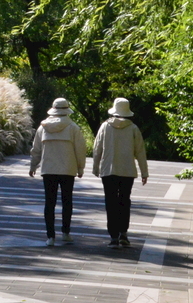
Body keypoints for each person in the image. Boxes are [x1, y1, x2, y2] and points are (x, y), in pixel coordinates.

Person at [29, 97, 87, 247]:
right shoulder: (73, 127)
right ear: (67, 110)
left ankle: (50, 237)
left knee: (50, 203)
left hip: (48, 170)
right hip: (68, 169)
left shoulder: (43, 127)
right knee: (67, 202)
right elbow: (80, 150)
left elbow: (36, 149)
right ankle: (66, 233)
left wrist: (33, 166)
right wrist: (80, 167)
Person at [92, 97, 149, 248]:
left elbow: (97, 148)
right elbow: (140, 152)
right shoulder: (133, 128)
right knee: (124, 202)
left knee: (110, 203)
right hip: (127, 171)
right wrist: (144, 172)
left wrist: (95, 167)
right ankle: (124, 233)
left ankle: (113, 236)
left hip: (108, 171)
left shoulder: (105, 126)